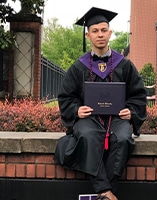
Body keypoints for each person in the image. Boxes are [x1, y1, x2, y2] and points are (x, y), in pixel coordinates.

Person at [55, 7, 146, 200]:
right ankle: (107, 192)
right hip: (89, 119)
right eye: (95, 31)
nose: (100, 35)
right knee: (87, 136)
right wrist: (77, 110)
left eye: (104, 30)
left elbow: (138, 95)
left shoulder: (125, 65)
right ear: (88, 35)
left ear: (110, 33)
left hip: (117, 118)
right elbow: (65, 97)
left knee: (122, 138)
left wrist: (131, 111)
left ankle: (104, 192)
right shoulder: (78, 67)